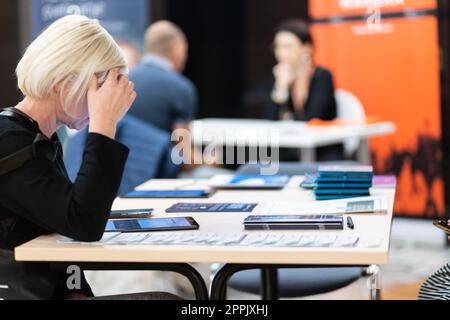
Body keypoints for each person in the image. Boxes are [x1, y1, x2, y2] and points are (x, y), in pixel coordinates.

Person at [0, 15, 176, 300]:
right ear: (64, 80)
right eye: (100, 85)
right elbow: (83, 222)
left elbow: (70, 216)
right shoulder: (11, 138)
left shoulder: (35, 136)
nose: (104, 98)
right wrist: (104, 125)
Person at [268, 19, 342, 161]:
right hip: (292, 149)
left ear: (307, 48)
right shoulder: (281, 76)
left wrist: (287, 118)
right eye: (278, 47)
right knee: (255, 160)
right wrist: (280, 88)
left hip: (322, 150)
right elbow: (269, 121)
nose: (281, 53)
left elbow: (312, 118)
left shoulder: (322, 76)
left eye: (288, 47)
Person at [128, 20, 197, 133]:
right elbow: (182, 145)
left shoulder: (123, 82)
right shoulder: (181, 88)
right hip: (162, 151)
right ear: (177, 49)